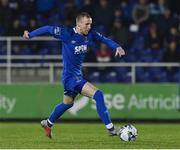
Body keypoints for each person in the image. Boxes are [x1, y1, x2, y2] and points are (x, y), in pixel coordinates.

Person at [23, 12, 125, 139]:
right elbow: (48, 28)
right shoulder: (66, 33)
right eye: (87, 24)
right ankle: (111, 128)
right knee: (98, 95)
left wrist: (117, 46)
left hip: (76, 76)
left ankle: (47, 123)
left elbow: (104, 39)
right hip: (70, 78)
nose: (89, 27)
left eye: (90, 24)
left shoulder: (91, 35)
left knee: (68, 103)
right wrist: (30, 35)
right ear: (79, 24)